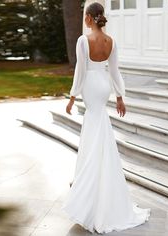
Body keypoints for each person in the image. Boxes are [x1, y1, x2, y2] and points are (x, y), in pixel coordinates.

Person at [61, 2, 151, 234]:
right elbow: (114, 71)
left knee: (93, 128)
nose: (84, 20)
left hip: (91, 87)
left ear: (90, 18)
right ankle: (97, 180)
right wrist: (120, 96)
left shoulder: (83, 40)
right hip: (104, 87)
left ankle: (89, 184)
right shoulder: (111, 41)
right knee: (100, 126)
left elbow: (80, 71)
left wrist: (72, 97)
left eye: (85, 17)